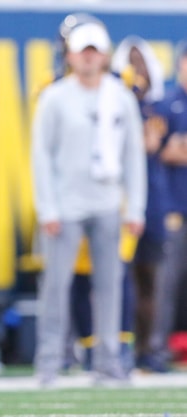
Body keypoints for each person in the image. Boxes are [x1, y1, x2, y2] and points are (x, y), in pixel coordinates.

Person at [31, 20, 146, 386]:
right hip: (65, 206)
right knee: (56, 284)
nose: (89, 58)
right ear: (70, 55)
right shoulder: (55, 96)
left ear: (105, 55)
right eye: (83, 51)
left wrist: (135, 207)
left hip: (108, 202)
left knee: (110, 285)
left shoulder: (121, 96)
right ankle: (48, 362)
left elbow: (133, 157)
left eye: (95, 51)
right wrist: (47, 206)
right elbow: (41, 156)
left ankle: (108, 361)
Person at [143, 45, 187, 373]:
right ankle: (156, 348)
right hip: (175, 207)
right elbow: (162, 151)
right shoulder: (168, 104)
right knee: (166, 283)